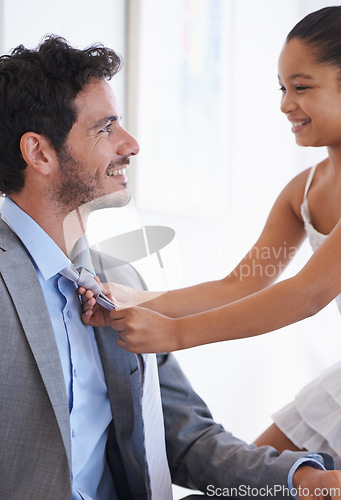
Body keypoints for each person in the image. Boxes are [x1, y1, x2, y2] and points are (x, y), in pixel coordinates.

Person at [1, 33, 341, 500]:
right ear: (40, 153)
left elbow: (189, 440)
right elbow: (242, 285)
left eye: (301, 87)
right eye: (106, 128)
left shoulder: (119, 281)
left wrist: (306, 482)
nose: (132, 144)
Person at [80, 5, 341, 467]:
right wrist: (143, 302)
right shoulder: (301, 193)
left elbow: (307, 293)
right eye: (282, 89)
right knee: (250, 486)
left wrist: (175, 333)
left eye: (302, 87)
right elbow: (239, 285)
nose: (285, 104)